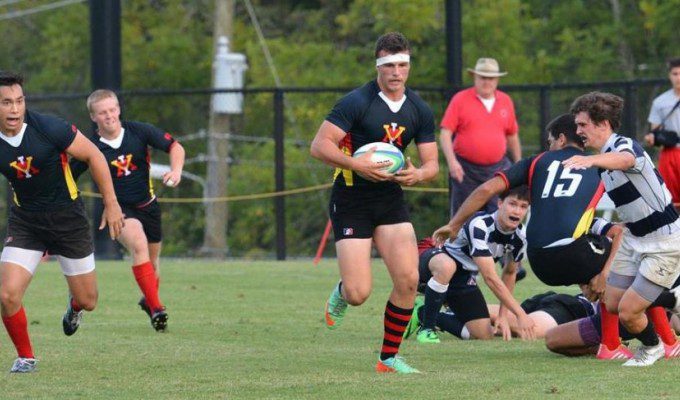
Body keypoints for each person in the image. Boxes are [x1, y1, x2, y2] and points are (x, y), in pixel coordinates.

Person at [434, 113, 662, 360]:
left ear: (562, 139)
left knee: (605, 257)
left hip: (538, 261)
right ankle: (647, 342)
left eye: (550, 141)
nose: (549, 147)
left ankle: (619, 336)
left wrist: (454, 224)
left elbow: (487, 189)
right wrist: (605, 274)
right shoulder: (599, 164)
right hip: (573, 255)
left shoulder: (536, 162)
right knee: (632, 260)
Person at [309, 32, 439, 374]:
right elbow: (320, 146)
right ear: (378, 66)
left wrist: (418, 176)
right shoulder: (356, 102)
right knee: (358, 293)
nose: (396, 72)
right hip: (351, 199)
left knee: (409, 279)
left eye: (402, 65)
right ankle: (341, 291)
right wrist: (356, 165)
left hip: (390, 200)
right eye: (389, 65)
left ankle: (388, 358)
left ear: (409, 66)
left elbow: (432, 165)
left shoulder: (419, 110)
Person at [0, 72, 124, 373]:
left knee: (89, 300)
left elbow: (94, 155)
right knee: (6, 294)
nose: (15, 109)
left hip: (67, 219)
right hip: (26, 222)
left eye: (19, 101)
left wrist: (111, 203)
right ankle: (26, 357)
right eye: (6, 103)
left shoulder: (48, 127)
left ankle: (75, 306)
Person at [563, 91, 680, 366]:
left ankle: (652, 347)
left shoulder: (624, 145)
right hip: (634, 238)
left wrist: (590, 160)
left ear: (602, 124)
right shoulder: (601, 162)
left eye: (583, 125)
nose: (578, 130)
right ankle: (671, 296)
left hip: (664, 241)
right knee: (613, 302)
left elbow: (627, 159)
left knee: (628, 312)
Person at [70, 89, 185, 332]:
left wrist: (176, 171)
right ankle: (157, 309)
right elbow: (68, 175)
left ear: (119, 109)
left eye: (112, 109)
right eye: (102, 112)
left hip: (149, 206)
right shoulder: (90, 147)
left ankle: (148, 300)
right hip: (118, 211)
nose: (109, 116)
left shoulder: (139, 131)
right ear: (93, 117)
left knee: (152, 264)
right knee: (139, 244)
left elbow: (176, 147)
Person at [406, 186, 535, 343]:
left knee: (483, 335)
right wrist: (520, 314)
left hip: (463, 277)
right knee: (448, 266)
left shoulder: (521, 237)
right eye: (512, 204)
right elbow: (490, 277)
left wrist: (503, 316)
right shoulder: (480, 225)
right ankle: (427, 328)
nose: (517, 211)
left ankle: (421, 312)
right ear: (500, 203)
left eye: (523, 207)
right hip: (433, 259)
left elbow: (509, 273)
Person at [440, 57, 521, 217]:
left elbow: (512, 135)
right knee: (462, 218)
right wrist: (452, 162)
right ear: (475, 78)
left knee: (498, 217)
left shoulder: (505, 101)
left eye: (490, 78)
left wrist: (519, 165)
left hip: (497, 170)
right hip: (465, 170)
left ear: (497, 79)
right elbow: (445, 133)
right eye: (483, 77)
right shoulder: (460, 99)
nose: (487, 82)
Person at [644, 57, 680, 209]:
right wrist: (653, 138)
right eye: (675, 73)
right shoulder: (660, 102)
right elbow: (655, 133)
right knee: (670, 200)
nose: (678, 77)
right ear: (669, 76)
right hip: (671, 153)